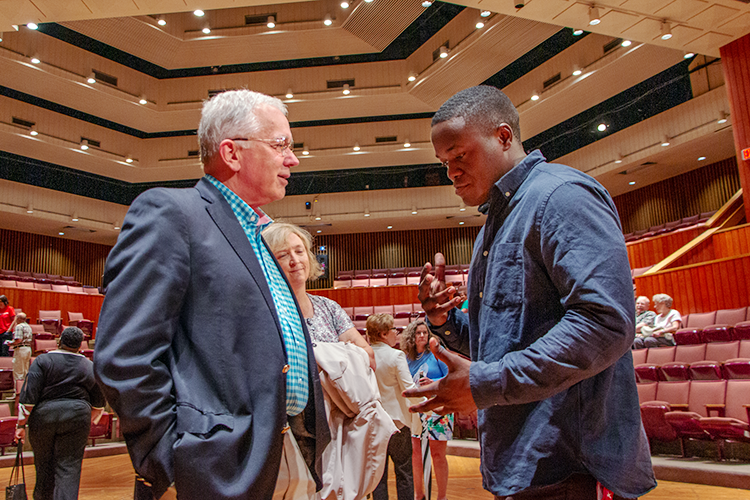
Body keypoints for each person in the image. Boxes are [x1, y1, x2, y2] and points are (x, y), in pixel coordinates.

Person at [404, 85, 656, 500]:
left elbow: (605, 324)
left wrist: (487, 382)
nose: (451, 172)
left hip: (572, 464)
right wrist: (444, 321)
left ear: (504, 137)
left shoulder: (561, 197)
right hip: (526, 461)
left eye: (460, 155)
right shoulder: (495, 223)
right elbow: (505, 341)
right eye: (444, 162)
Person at [94, 89, 330, 500]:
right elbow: (125, 355)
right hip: (212, 468)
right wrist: (166, 462)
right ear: (232, 153)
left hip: (282, 454)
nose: (292, 159)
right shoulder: (171, 213)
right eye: (280, 145)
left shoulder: (259, 236)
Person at [263, 222, 375, 369]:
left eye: (299, 251)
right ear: (267, 263)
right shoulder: (266, 313)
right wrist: (340, 356)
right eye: (283, 255)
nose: (295, 261)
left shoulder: (329, 307)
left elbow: (369, 357)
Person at [15, 326, 106, 500]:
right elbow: (99, 403)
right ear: (80, 345)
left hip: (43, 417)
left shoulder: (42, 361)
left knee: (43, 464)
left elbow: (29, 397)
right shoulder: (90, 366)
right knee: (69, 467)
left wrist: (20, 425)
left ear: (59, 341)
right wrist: (86, 421)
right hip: (78, 416)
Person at [367, 313, 417, 500]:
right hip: (397, 423)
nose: (397, 333)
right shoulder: (396, 355)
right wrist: (425, 406)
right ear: (382, 334)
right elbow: (408, 388)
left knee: (379, 476)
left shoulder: (364, 355)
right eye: (393, 329)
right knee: (404, 471)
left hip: (375, 423)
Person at [400, 320, 451, 500]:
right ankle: (419, 494)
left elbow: (451, 378)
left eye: (425, 333)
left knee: (437, 454)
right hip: (416, 411)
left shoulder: (437, 355)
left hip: (438, 409)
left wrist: (433, 384)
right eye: (418, 333)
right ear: (411, 337)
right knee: (416, 453)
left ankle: (441, 496)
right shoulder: (406, 359)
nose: (423, 336)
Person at [7, 312, 32, 380]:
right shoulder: (28, 326)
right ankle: (25, 389)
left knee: (18, 372)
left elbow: (18, 340)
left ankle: (18, 390)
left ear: (18, 318)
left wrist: (10, 343)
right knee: (25, 371)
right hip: (28, 349)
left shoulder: (19, 326)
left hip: (21, 350)